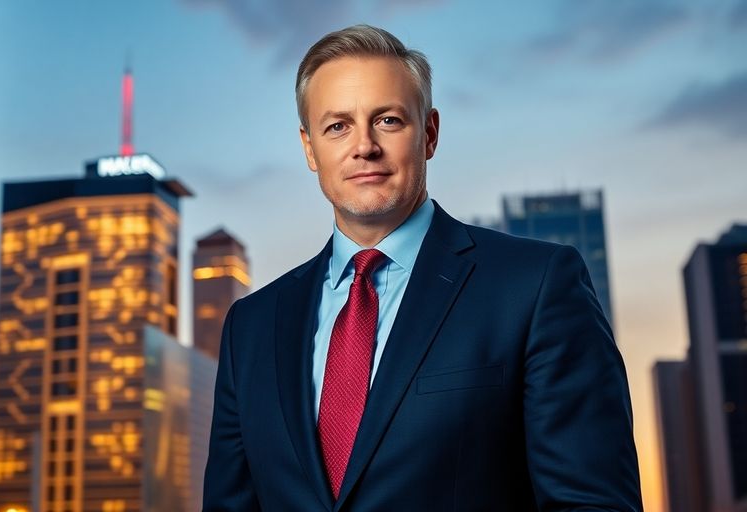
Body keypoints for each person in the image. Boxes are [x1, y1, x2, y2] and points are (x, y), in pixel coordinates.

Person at [202, 24, 642, 511]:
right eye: (337, 126)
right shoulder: (252, 327)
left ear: (429, 133)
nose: (363, 145)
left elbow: (592, 503)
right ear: (310, 148)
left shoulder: (534, 286)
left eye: (388, 121)